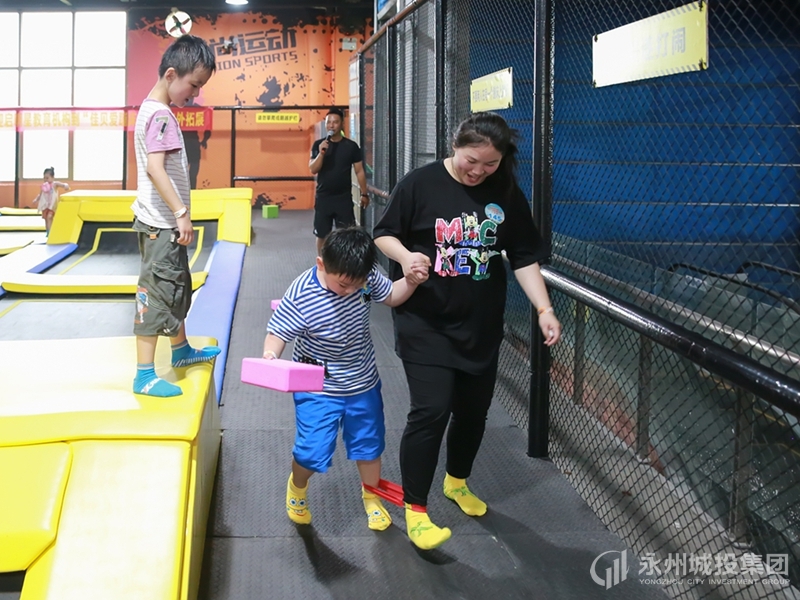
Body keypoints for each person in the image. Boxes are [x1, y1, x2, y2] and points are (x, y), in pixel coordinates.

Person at [372, 111, 563, 550]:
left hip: (479, 324)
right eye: (470, 160)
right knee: (431, 410)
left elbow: (523, 256)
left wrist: (544, 308)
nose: (478, 171)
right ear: (454, 146)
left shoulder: (505, 191)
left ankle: (456, 481)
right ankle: (416, 508)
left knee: (473, 412)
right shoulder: (420, 184)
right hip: (425, 320)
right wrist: (405, 257)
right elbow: (384, 233)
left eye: (489, 164)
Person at [262, 227, 427, 530]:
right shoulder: (302, 294)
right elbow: (277, 332)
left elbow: (391, 295)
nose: (351, 291)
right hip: (317, 385)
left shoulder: (365, 277)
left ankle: (372, 497)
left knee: (369, 446)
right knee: (311, 452)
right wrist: (270, 355)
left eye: (357, 285)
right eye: (343, 284)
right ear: (321, 264)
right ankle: (297, 487)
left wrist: (412, 281)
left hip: (362, 381)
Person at [130, 34, 220, 398]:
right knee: (156, 293)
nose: (195, 94)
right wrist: (181, 213)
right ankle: (144, 375)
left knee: (176, 285)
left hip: (162, 222)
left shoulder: (151, 109)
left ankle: (180, 350)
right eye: (193, 85)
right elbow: (155, 168)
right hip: (162, 224)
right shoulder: (161, 115)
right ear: (171, 75)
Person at [308, 107, 370, 255]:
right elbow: (313, 169)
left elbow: (359, 171)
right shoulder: (318, 145)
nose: (331, 125)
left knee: (346, 235)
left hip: (343, 198)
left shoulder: (351, 147)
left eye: (335, 122)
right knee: (321, 234)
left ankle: (344, 263)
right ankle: (322, 262)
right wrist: (321, 154)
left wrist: (364, 193)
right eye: (328, 122)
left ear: (342, 124)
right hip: (323, 197)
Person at [32, 167, 69, 236]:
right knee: (46, 219)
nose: (45, 180)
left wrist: (66, 186)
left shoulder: (54, 184)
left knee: (49, 217)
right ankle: (48, 231)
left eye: (47, 178)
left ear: (52, 177)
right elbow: (40, 194)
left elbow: (63, 184)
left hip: (52, 206)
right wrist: (36, 199)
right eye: (44, 178)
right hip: (45, 205)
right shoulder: (44, 186)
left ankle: (50, 232)